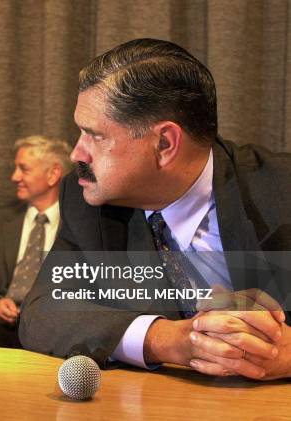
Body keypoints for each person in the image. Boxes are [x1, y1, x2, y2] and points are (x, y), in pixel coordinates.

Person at [19, 38, 291, 380]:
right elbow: (42, 312)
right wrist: (166, 339)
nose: (77, 154)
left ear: (164, 144)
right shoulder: (86, 199)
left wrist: (284, 352)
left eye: (95, 136)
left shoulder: (281, 189)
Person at [0, 135, 72, 347]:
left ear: (53, 174)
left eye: (24, 169)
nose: (14, 177)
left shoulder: (80, 225)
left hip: (56, 325)